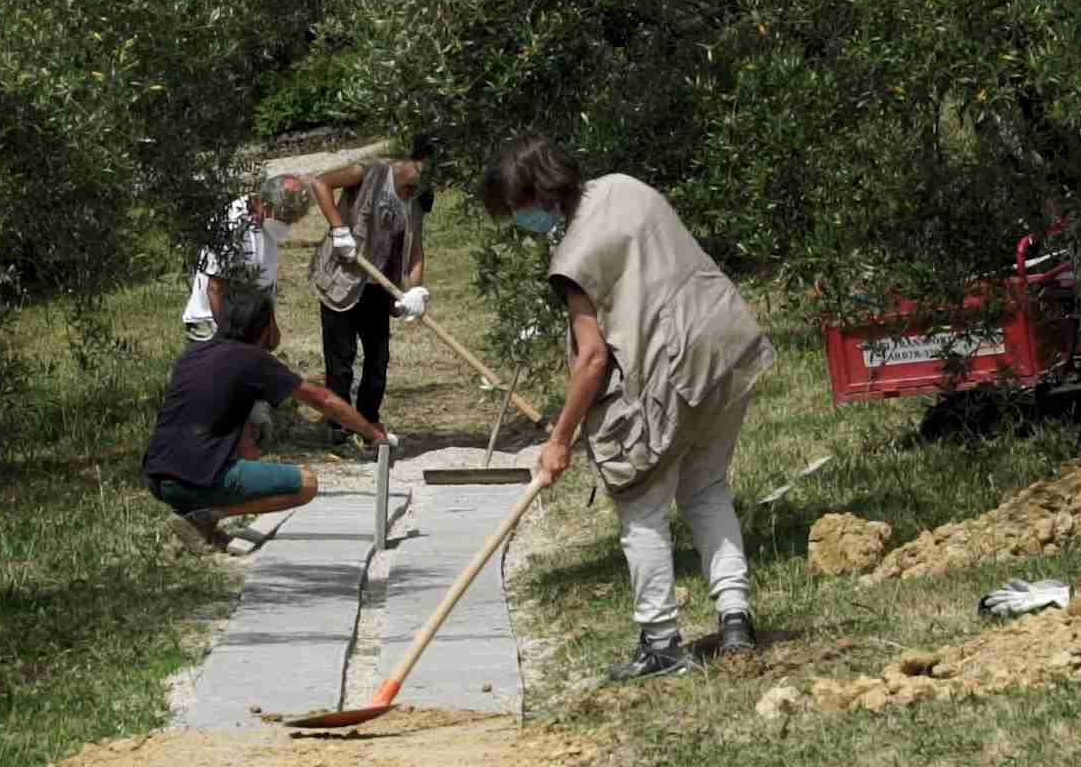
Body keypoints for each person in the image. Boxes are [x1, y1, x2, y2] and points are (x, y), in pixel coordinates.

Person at [482, 134, 775, 679]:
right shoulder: (626, 186)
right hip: (726, 346)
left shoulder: (573, 258)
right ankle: (736, 620)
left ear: (534, 194)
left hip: (674, 368)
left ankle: (661, 642)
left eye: (517, 211)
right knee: (705, 486)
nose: (520, 222)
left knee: (640, 499)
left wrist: (559, 440)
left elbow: (591, 359)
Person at [143, 288, 396, 553]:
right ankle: (203, 517)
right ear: (264, 326)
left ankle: (198, 518)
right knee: (306, 483)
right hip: (193, 480)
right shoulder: (253, 360)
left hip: (158, 479)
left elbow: (230, 424)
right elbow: (323, 400)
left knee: (242, 471)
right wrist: (372, 432)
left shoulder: (194, 354)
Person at [306, 135, 436, 457]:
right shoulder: (369, 173)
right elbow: (320, 183)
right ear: (418, 160)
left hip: (378, 286)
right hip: (341, 280)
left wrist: (414, 291)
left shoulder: (418, 200)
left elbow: (415, 249)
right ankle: (339, 430)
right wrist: (339, 229)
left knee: (378, 362)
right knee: (341, 361)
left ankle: (368, 423)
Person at [180, 174, 313, 453]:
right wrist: (228, 340)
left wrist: (269, 327)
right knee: (219, 394)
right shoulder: (231, 223)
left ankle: (245, 449)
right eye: (285, 219)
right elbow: (215, 288)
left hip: (251, 324)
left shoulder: (267, 224)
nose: (287, 226)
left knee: (247, 395)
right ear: (264, 204)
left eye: (292, 221)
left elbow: (264, 285)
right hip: (214, 325)